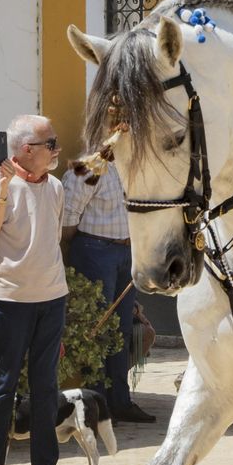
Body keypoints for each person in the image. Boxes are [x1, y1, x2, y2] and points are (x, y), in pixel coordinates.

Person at [0, 114, 75, 465]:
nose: (57, 150)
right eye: (51, 144)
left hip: (52, 298)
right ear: (26, 149)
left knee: (46, 386)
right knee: (3, 386)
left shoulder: (56, 187)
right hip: (9, 301)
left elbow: (53, 238)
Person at [61, 162, 155, 424]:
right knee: (97, 330)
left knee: (121, 329)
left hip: (126, 251)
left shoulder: (133, 164)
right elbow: (67, 219)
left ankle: (120, 402)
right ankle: (97, 404)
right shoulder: (87, 168)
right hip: (95, 249)